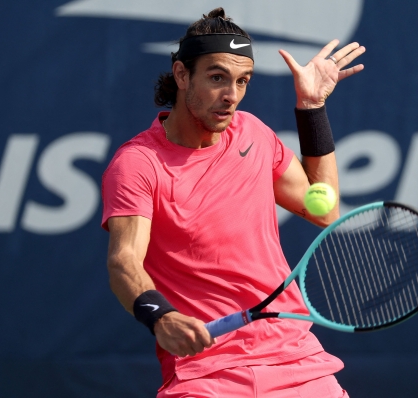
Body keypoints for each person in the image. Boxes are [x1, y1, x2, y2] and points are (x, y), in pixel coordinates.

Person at [101, 7, 365, 397]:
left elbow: (324, 211)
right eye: (217, 77)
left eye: (243, 81)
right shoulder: (138, 164)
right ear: (181, 75)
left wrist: (311, 108)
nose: (232, 96)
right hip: (206, 375)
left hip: (297, 363)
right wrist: (161, 316)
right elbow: (124, 260)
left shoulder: (253, 134)